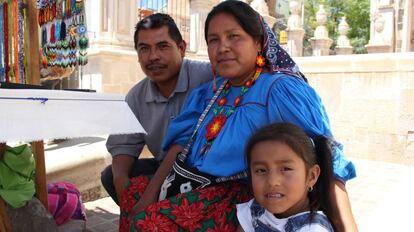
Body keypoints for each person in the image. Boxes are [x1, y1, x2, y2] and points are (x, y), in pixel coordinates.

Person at [119, 1, 357, 231]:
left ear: (258, 42)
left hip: (235, 198)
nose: (222, 47)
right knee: (133, 196)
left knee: (149, 224)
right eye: (214, 40)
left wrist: (346, 226)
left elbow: (325, 154)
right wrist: (149, 195)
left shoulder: (280, 90)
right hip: (189, 182)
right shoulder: (210, 90)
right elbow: (179, 147)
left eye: (234, 37)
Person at [101, 13, 212, 205]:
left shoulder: (207, 77)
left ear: (182, 48)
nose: (153, 57)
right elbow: (123, 145)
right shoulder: (136, 96)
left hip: (208, 173)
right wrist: (121, 183)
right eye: (144, 49)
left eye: (163, 47)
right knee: (111, 175)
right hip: (165, 169)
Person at [237, 122, 335, 232]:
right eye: (261, 170)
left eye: (286, 169)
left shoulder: (314, 229)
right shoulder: (256, 210)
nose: (272, 181)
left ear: (311, 176)